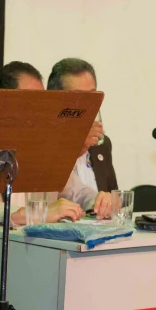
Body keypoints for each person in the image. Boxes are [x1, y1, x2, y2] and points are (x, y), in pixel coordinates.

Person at [0, 61, 86, 225]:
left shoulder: (44, 148)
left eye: (44, 103)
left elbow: (76, 191)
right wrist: (33, 214)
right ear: (3, 106)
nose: (40, 113)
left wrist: (101, 200)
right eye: (32, 103)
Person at [47, 58, 117, 214]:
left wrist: (108, 203)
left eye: (92, 97)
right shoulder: (44, 144)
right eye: (79, 98)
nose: (88, 105)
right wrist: (75, 147)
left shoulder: (101, 145)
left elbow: (113, 200)